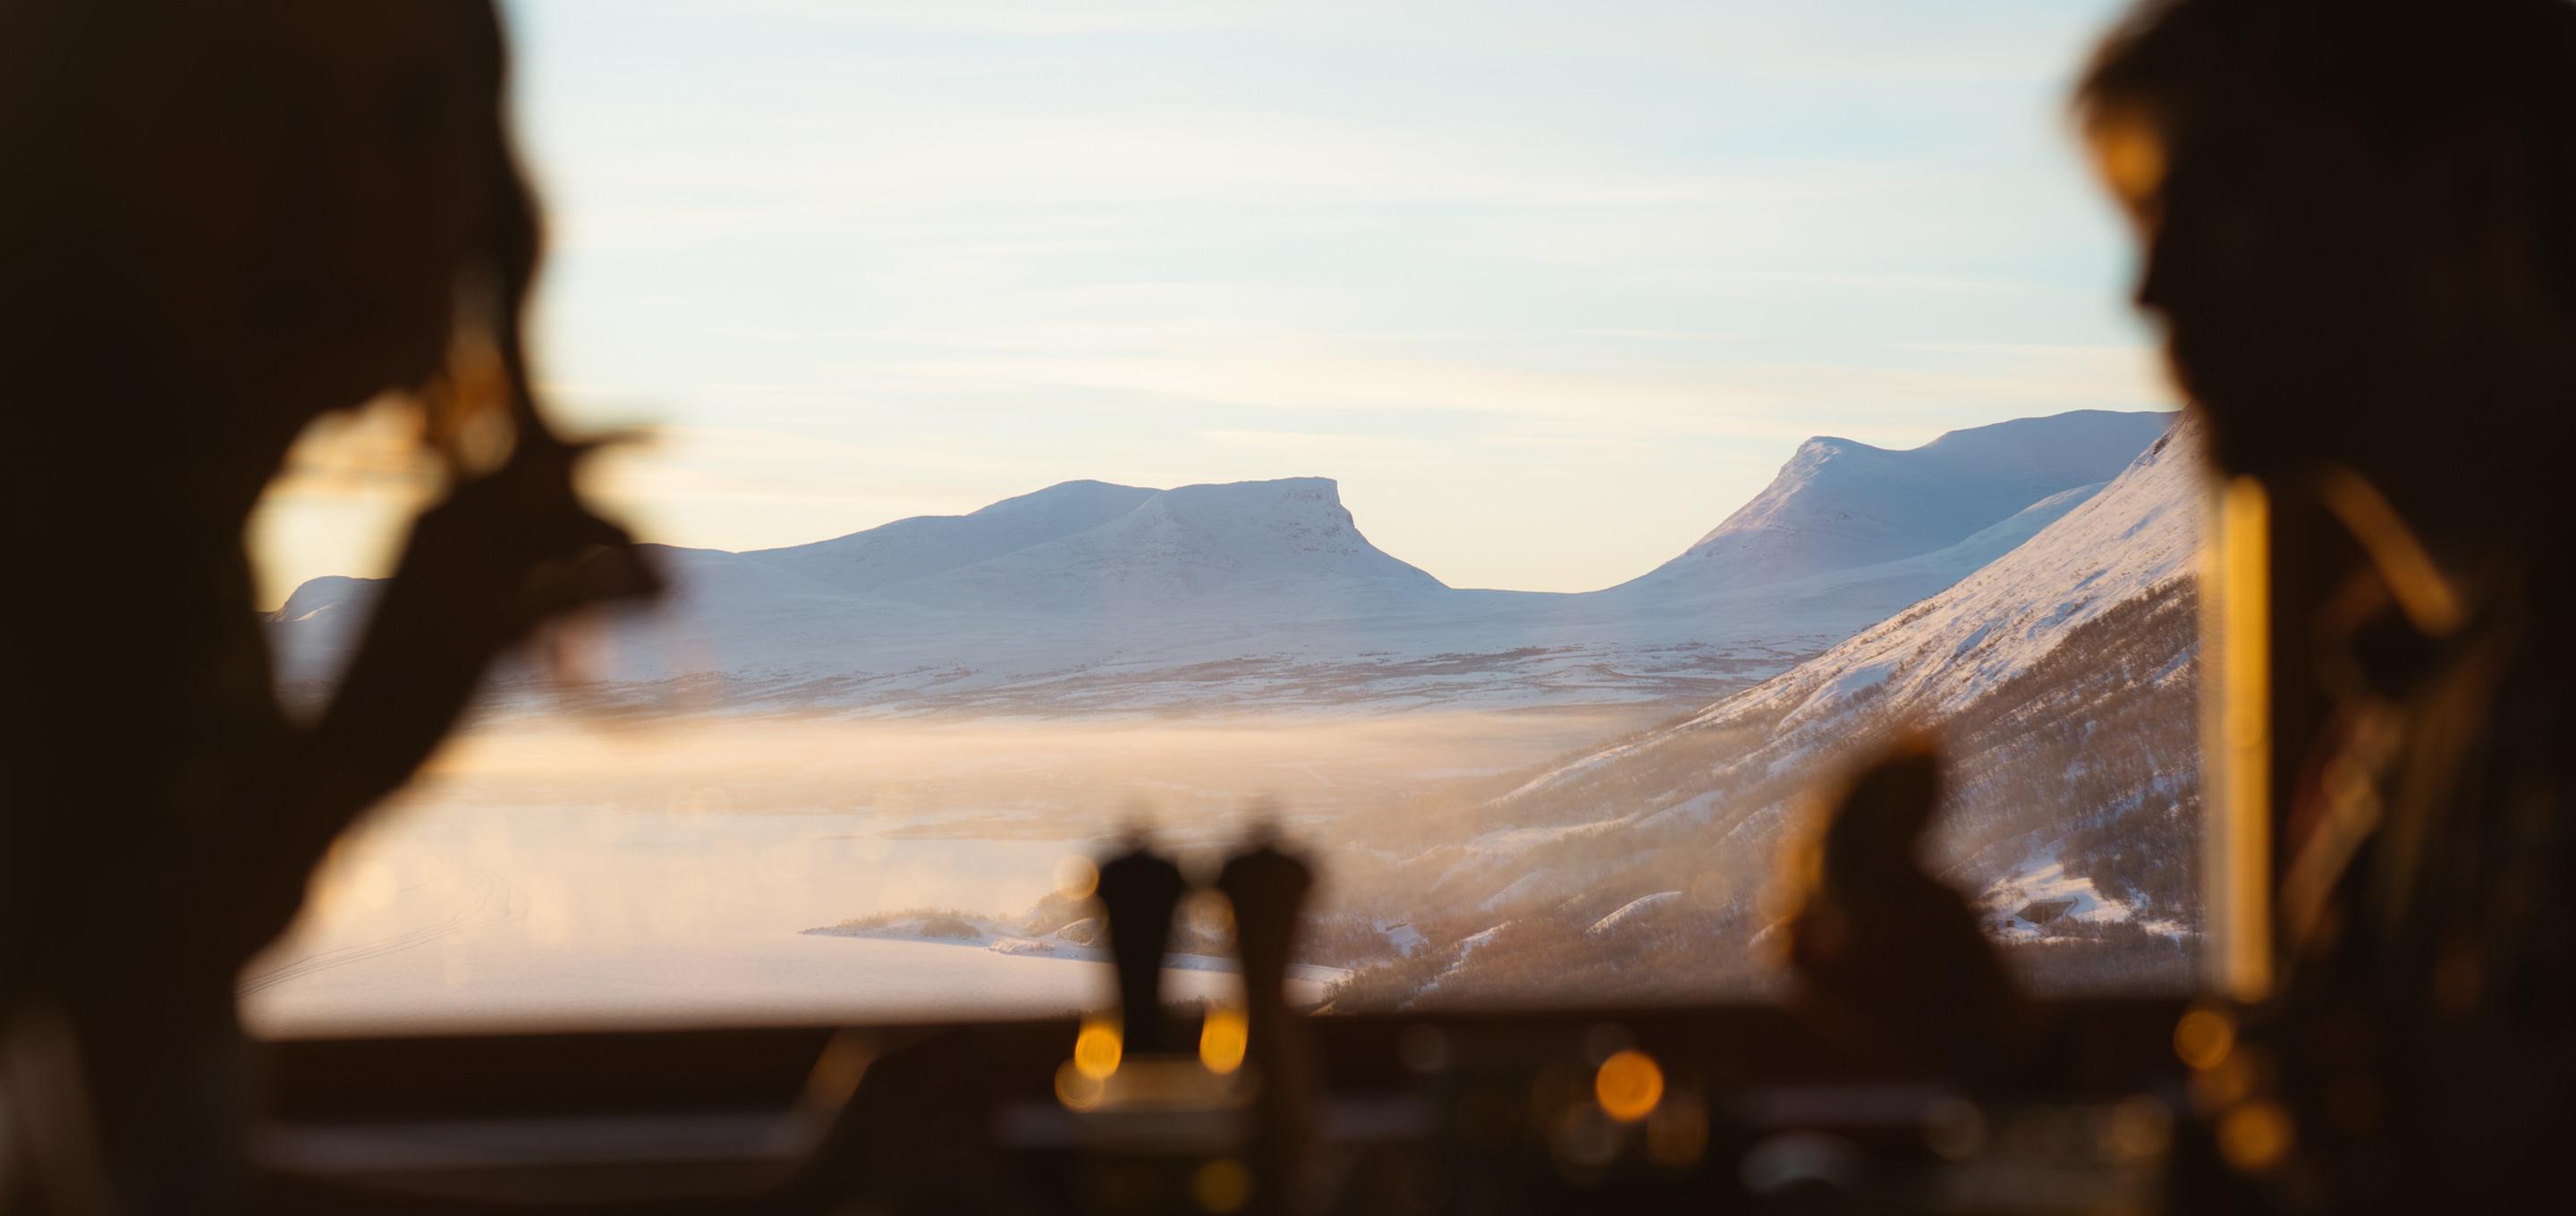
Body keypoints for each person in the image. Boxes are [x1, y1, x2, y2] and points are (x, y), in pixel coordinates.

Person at [0, 3, 655, 1210]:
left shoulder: (163, 566)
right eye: (245, 109)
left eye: (412, 118)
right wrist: (345, 759)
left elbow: (146, 1166)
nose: (346, 196)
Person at [2075, 0, 2576, 1204]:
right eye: (2149, 217)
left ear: (2465, 196)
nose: (2152, 285)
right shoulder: (2416, 690)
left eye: (2226, 192)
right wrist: (2016, 1049)